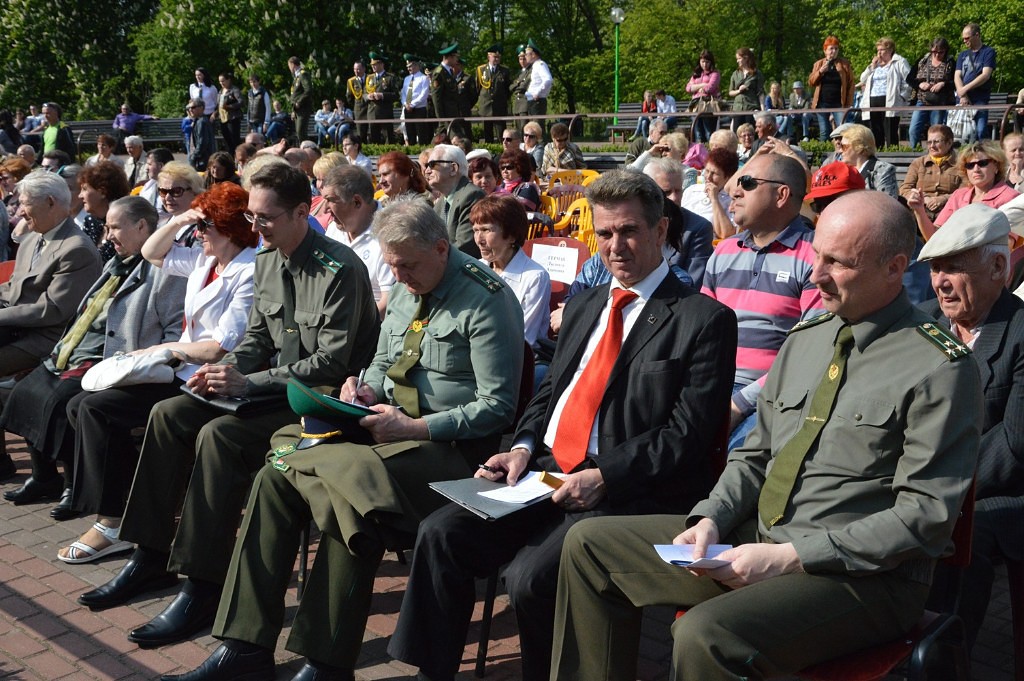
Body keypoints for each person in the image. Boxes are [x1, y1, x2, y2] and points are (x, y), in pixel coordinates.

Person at [549, 190, 982, 681]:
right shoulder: (809, 337)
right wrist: (711, 518)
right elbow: (754, 454)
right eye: (817, 255)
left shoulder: (938, 368)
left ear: (894, 268)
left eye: (838, 263)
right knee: (589, 547)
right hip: (761, 539)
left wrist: (790, 558)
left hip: (864, 578)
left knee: (705, 634)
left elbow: (926, 516)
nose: (816, 275)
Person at [388, 169, 737, 681]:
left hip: (624, 485)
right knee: (440, 534)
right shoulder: (586, 304)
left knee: (530, 579)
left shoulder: (701, 320)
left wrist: (605, 476)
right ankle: (432, 674)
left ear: (661, 231)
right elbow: (551, 390)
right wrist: (522, 446)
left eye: (629, 231)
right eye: (605, 233)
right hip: (547, 471)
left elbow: (687, 436)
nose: (615, 246)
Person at [164, 198, 524, 681]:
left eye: (408, 266)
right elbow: (383, 359)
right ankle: (244, 645)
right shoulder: (408, 282)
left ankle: (326, 662)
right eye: (392, 266)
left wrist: (415, 427)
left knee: (336, 485)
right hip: (382, 433)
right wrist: (365, 387)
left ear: (441, 248)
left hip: (451, 453)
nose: (399, 278)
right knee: (275, 479)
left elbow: (497, 407)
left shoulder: (487, 299)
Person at [74, 165, 381, 653]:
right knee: (170, 414)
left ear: (302, 212)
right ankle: (150, 554)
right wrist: (223, 371)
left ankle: (204, 583)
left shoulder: (339, 268)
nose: (256, 227)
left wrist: (246, 380)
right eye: (252, 217)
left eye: (266, 218)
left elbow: (332, 362)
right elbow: (258, 336)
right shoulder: (269, 260)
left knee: (219, 438)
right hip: (270, 389)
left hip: (318, 402)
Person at [57, 182, 258, 563]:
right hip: (178, 368)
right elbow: (151, 252)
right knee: (78, 404)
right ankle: (118, 509)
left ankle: (111, 521)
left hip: (205, 377)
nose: (198, 233)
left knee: (98, 410)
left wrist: (161, 350)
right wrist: (180, 219)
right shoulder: (205, 261)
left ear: (229, 228)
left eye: (205, 226)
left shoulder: (248, 270)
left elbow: (220, 347)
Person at [0, 196, 187, 517]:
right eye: (107, 227)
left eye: (115, 228)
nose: (108, 235)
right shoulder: (118, 261)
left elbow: (172, 330)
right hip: (76, 348)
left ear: (142, 227)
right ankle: (44, 476)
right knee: (27, 389)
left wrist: (138, 359)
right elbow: (86, 311)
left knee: (60, 401)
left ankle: (73, 485)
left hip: (111, 357)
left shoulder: (166, 270)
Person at [913, 204, 1024, 653]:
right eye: (935, 268)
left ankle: (942, 659)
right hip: (922, 479)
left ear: (998, 267)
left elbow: (1015, 445)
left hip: (1001, 492)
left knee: (960, 534)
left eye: (954, 268)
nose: (940, 281)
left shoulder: (1020, 331)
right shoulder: (921, 323)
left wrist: (936, 487)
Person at [701, 154, 823, 451]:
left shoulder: (816, 258)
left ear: (781, 195)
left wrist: (739, 404)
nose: (735, 191)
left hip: (773, 397)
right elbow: (700, 335)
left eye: (747, 183)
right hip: (710, 385)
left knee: (739, 456)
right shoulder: (723, 252)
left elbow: (809, 355)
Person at [0, 171, 102, 379]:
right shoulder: (32, 238)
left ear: (50, 202)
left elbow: (51, 309)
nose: (20, 212)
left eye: (25, 204)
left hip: (44, 339)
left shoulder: (77, 249)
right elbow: (13, 287)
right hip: (14, 327)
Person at [472, 195, 551, 347]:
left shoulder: (535, 277)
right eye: (475, 230)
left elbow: (524, 338)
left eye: (486, 230)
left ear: (512, 235)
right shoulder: (477, 268)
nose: (479, 239)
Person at [320, 164, 396, 317]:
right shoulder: (334, 229)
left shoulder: (391, 234)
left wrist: (352, 325)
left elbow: (389, 301)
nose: (325, 209)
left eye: (330, 200)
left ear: (356, 202)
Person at [910, 140, 1020, 240]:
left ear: (996, 166)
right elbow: (934, 237)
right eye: (970, 165)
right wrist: (919, 210)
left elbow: (1007, 244)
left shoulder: (1011, 197)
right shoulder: (958, 195)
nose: (976, 169)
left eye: (982, 163)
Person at [643, 158, 714, 287]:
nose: (674, 198)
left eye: (678, 190)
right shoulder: (636, 224)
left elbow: (693, 284)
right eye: (666, 192)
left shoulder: (698, 228)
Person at [426, 144, 485, 258]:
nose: (427, 171)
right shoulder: (441, 202)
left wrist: (429, 260)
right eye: (427, 165)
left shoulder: (472, 196)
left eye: (432, 165)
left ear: (453, 169)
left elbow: (465, 246)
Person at [857, 37, 912, 149]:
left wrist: (902, 96)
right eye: (878, 50)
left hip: (890, 100)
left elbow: (909, 80)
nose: (879, 53)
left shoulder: (899, 62)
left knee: (890, 131)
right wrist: (872, 67)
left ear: (890, 50)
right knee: (876, 131)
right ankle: (878, 154)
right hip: (872, 100)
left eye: (882, 50)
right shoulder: (875, 65)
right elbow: (862, 79)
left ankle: (893, 154)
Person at [899, 124, 961, 220]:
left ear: (949, 142)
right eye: (929, 142)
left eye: (936, 142)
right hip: (919, 211)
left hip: (949, 211)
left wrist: (944, 199)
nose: (932, 146)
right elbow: (905, 189)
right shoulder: (918, 163)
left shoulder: (960, 164)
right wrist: (923, 199)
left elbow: (965, 191)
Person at [681, 147, 737, 241]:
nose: (708, 177)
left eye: (715, 174)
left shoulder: (732, 200)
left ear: (727, 177)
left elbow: (726, 234)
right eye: (707, 171)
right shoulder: (691, 191)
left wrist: (714, 199)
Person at [907, 38, 956, 149]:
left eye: (940, 52)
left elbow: (956, 82)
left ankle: (937, 152)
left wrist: (943, 84)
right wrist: (919, 84)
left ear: (945, 51)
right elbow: (909, 78)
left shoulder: (950, 63)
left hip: (940, 102)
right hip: (922, 100)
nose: (937, 55)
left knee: (936, 132)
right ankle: (915, 152)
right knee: (913, 130)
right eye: (934, 52)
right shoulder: (923, 61)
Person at [79, 161, 131, 262]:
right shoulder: (91, 221)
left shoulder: (125, 224)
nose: (80, 195)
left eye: (84, 189)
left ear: (102, 192)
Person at [954, 23, 996, 143]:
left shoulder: (988, 52)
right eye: (963, 38)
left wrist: (965, 89)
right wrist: (962, 94)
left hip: (980, 98)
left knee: (980, 131)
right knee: (961, 134)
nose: (964, 41)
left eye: (967, 38)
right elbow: (957, 75)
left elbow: (985, 75)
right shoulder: (962, 55)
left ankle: (985, 153)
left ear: (977, 35)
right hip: (962, 100)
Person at [807, 36, 855, 141]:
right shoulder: (818, 64)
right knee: (824, 132)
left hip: (839, 104)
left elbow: (851, 84)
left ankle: (843, 151)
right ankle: (824, 152)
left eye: (836, 48)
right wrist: (820, 72)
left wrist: (848, 103)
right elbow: (811, 82)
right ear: (825, 50)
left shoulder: (844, 64)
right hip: (822, 104)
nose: (834, 51)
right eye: (831, 48)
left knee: (843, 131)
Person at [836, 123, 897, 198]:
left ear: (858, 147)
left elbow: (888, 202)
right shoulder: (841, 171)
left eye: (843, 146)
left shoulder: (883, 171)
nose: (840, 151)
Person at [686, 50, 721, 143]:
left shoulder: (715, 73)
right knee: (697, 133)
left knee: (709, 132)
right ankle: (699, 150)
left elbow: (710, 88)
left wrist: (696, 87)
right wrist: (702, 85)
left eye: (707, 62)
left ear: (711, 62)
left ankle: (709, 149)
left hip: (708, 105)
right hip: (695, 106)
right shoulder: (696, 74)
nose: (705, 64)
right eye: (703, 62)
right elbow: (688, 88)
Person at [365, 52, 400, 145]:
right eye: (372, 64)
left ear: (381, 64)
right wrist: (367, 96)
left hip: (385, 113)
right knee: (374, 141)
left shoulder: (390, 78)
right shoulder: (369, 78)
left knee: (388, 139)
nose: (373, 66)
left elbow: (396, 95)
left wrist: (382, 95)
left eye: (375, 64)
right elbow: (364, 94)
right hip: (372, 113)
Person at [728, 48, 763, 132]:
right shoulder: (735, 74)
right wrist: (739, 91)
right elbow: (730, 92)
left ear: (746, 58)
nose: (737, 61)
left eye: (739, 58)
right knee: (737, 132)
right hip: (738, 109)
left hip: (751, 107)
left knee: (750, 132)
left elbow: (761, 93)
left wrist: (763, 110)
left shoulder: (756, 73)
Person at [496, 148, 541, 212]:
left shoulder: (528, 188)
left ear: (520, 168)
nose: (505, 171)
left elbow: (521, 212)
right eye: (502, 168)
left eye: (509, 167)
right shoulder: (501, 186)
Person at [401, 55, 432, 145]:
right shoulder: (407, 79)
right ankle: (412, 150)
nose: (408, 68)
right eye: (407, 66)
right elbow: (403, 93)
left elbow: (424, 94)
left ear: (416, 65)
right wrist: (405, 104)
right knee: (410, 134)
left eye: (410, 66)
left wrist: (412, 104)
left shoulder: (424, 78)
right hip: (408, 109)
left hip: (419, 109)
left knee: (421, 134)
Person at [432, 43, 462, 135]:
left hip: (452, 114)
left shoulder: (449, 71)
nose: (457, 60)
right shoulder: (439, 73)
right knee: (446, 138)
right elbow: (436, 97)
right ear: (449, 57)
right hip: (446, 116)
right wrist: (441, 119)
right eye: (455, 57)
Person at [288, 57, 313, 143]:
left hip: (303, 108)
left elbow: (308, 90)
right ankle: (303, 148)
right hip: (297, 109)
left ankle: (308, 148)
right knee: (299, 133)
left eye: (289, 66)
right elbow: (295, 95)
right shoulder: (296, 77)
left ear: (293, 65)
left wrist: (299, 102)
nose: (289, 68)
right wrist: (293, 110)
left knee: (301, 132)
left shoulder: (303, 74)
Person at [216, 72, 244, 154]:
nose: (221, 83)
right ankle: (230, 157)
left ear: (228, 80)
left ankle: (237, 157)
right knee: (227, 140)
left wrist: (230, 106)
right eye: (220, 81)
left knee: (234, 140)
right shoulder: (220, 91)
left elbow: (241, 102)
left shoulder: (234, 90)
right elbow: (219, 105)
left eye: (223, 81)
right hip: (223, 119)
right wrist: (215, 113)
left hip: (232, 118)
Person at [524, 40, 553, 116]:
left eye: (526, 54)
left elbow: (548, 79)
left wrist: (537, 93)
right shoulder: (535, 65)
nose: (525, 56)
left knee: (537, 123)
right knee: (533, 122)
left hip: (537, 101)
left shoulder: (540, 64)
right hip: (532, 100)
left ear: (533, 55)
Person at [186, 99, 215, 173]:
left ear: (201, 108)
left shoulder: (201, 122)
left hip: (202, 160)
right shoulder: (199, 120)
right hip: (203, 158)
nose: (190, 110)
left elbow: (202, 142)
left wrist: (194, 156)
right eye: (189, 108)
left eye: (193, 107)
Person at [511, 45, 532, 121]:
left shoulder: (531, 70)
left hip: (525, 105)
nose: (522, 61)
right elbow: (510, 87)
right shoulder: (519, 73)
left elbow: (523, 87)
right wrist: (518, 84)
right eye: (520, 59)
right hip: (517, 106)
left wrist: (516, 86)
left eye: (524, 59)